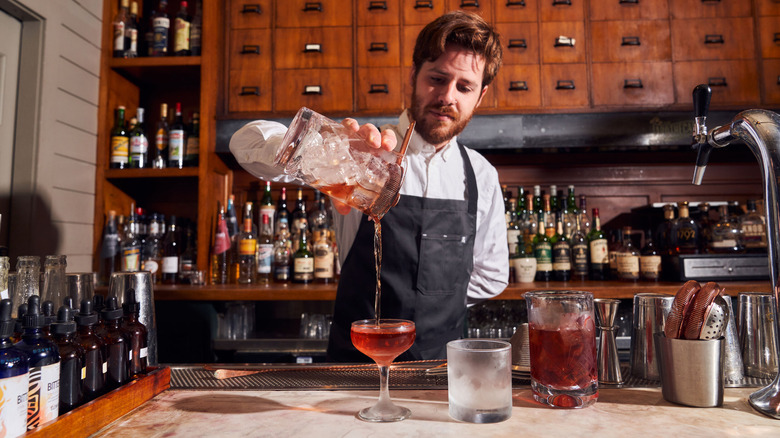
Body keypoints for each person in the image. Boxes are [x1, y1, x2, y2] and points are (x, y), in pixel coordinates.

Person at [229, 11, 508, 361]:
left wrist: (438, 298)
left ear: (479, 97)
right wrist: (317, 148)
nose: (447, 96)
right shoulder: (363, 151)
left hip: (443, 373)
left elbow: (492, 276)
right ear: (414, 75)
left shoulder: (481, 175)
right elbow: (244, 143)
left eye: (464, 87)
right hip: (354, 369)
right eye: (437, 78)